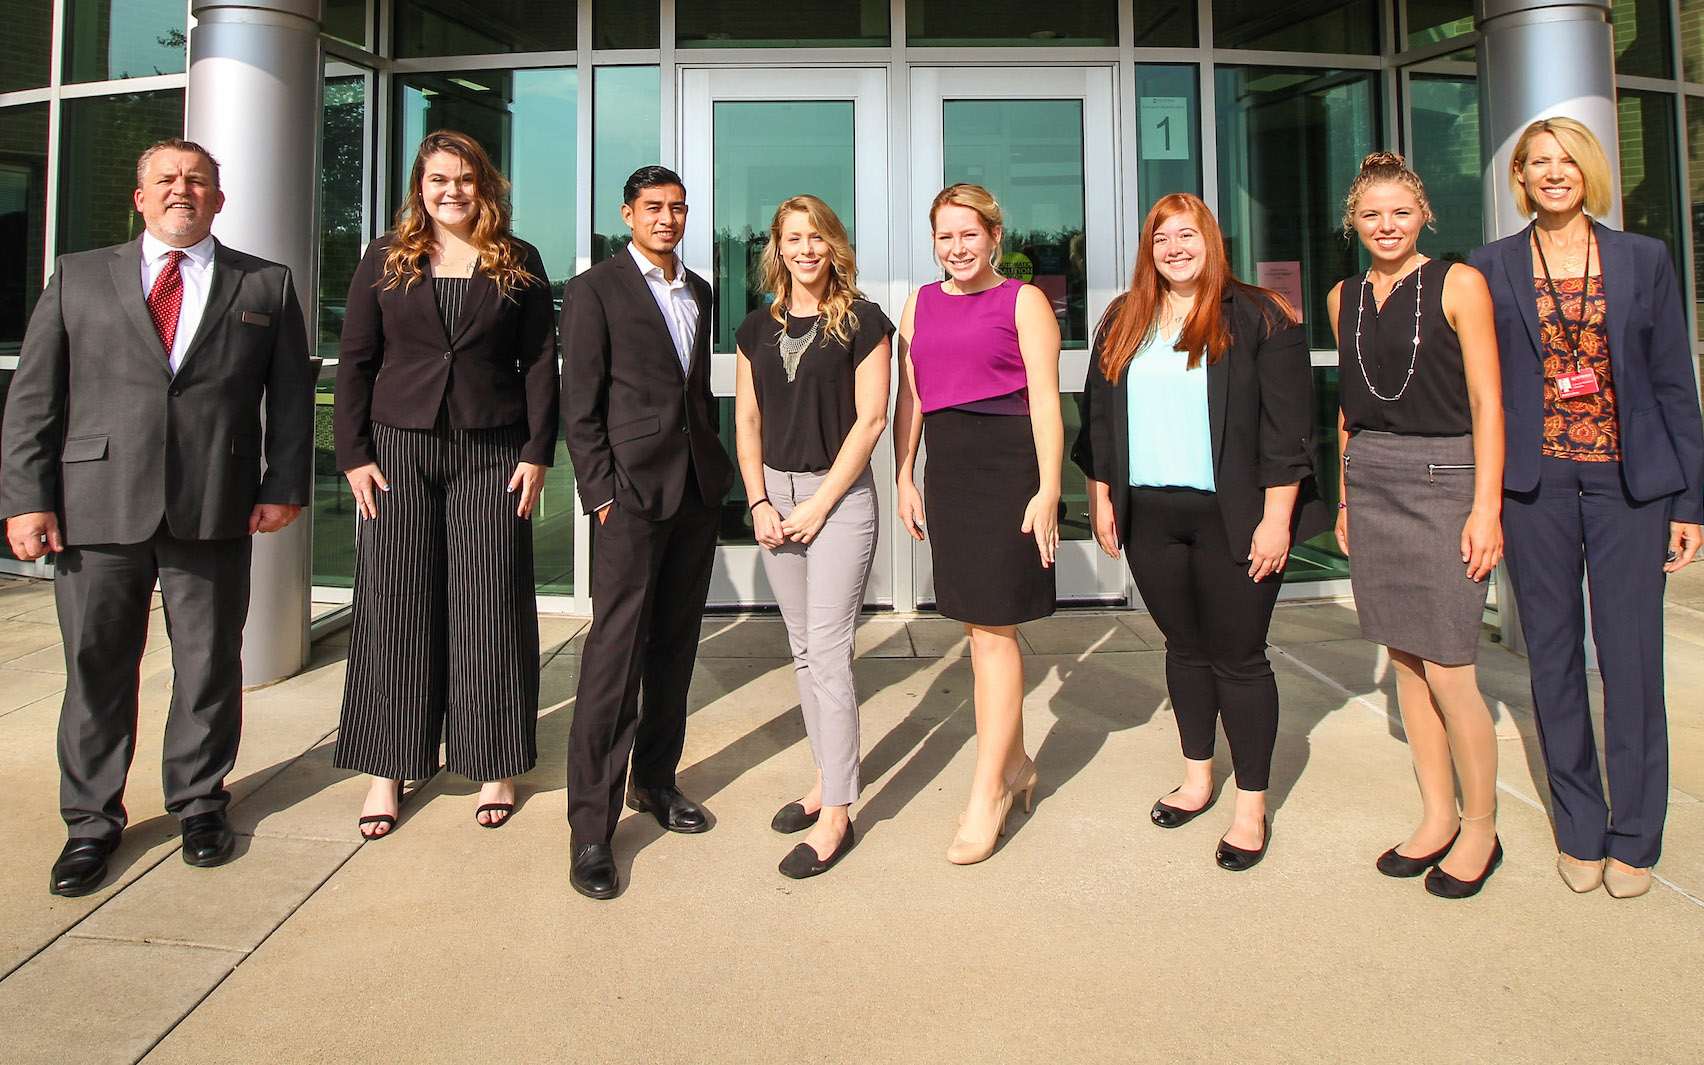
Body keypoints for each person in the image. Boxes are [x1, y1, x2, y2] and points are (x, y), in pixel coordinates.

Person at [0, 138, 314, 897]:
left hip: (215, 503)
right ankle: (90, 820)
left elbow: (294, 399)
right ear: (139, 198)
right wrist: (25, 497)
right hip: (94, 506)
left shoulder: (263, 284)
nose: (183, 190)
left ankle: (201, 802)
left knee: (209, 665)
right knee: (97, 666)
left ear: (219, 198)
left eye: (197, 180)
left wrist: (284, 484)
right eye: (167, 180)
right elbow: (36, 397)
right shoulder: (78, 276)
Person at [1469, 118, 1704, 899]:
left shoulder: (1644, 259)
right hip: (1535, 488)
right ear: (1521, 180)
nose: (1553, 173)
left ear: (1588, 171)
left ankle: (1636, 834)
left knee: (1633, 662)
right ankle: (1580, 825)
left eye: (1566, 160)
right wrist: (1485, 499)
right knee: (1556, 659)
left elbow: (1675, 384)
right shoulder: (1492, 265)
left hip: (1631, 485)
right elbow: (1485, 394)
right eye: (1538, 162)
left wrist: (1691, 501)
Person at [1073, 193, 1326, 872]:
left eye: (1187, 235)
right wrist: (1102, 498)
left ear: (1210, 240)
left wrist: (1277, 520)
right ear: (1148, 249)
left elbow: (1287, 432)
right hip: (1151, 515)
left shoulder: (1261, 316)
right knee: (1184, 648)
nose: (1175, 248)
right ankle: (1196, 777)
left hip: (1235, 518)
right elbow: (1098, 419)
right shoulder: (1124, 319)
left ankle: (1250, 806)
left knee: (1238, 656)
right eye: (1162, 238)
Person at [332, 130, 558, 838]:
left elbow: (543, 361)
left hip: (492, 450)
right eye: (438, 181)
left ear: (483, 184)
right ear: (419, 187)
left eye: (464, 179)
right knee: (395, 601)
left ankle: (494, 761)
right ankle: (388, 766)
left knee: (488, 602)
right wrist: (353, 452)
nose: (451, 192)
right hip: (399, 448)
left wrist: (537, 450)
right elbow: (355, 361)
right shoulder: (385, 257)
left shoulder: (518, 261)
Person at [1327, 153, 1506, 899]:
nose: (1387, 225)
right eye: (1372, 214)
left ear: (1423, 213)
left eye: (1400, 211)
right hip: (1372, 478)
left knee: (1450, 666)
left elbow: (1490, 403)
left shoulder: (1460, 283)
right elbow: (1346, 407)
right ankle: (1436, 815)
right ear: (1353, 223)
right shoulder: (1344, 296)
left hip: (1445, 480)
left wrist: (1487, 506)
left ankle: (1481, 828)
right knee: (1404, 659)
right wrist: (1343, 497)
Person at [560, 165, 735, 900]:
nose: (667, 218)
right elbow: (581, 401)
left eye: (678, 208)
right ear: (628, 213)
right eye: (653, 207)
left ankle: (655, 782)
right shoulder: (596, 288)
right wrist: (601, 494)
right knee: (614, 656)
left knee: (675, 648)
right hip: (628, 497)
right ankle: (591, 828)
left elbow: (695, 391)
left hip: (694, 491)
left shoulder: (699, 289)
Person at [894, 183, 1061, 866]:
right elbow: (913, 396)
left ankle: (987, 791)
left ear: (994, 235)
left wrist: (1051, 489)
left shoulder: (1024, 301)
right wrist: (903, 472)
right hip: (950, 474)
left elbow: (1048, 401)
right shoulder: (918, 303)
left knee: (993, 632)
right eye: (945, 236)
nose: (956, 248)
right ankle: (1017, 761)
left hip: (1007, 473)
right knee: (977, 626)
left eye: (969, 234)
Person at [734, 195, 892, 879]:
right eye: (793, 238)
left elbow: (872, 420)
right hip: (777, 499)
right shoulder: (753, 329)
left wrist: (820, 505)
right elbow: (745, 420)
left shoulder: (864, 321)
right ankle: (826, 777)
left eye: (817, 238)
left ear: (835, 247)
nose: (805, 250)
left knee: (828, 651)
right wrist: (759, 501)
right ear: (777, 247)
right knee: (802, 651)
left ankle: (839, 815)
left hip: (839, 497)